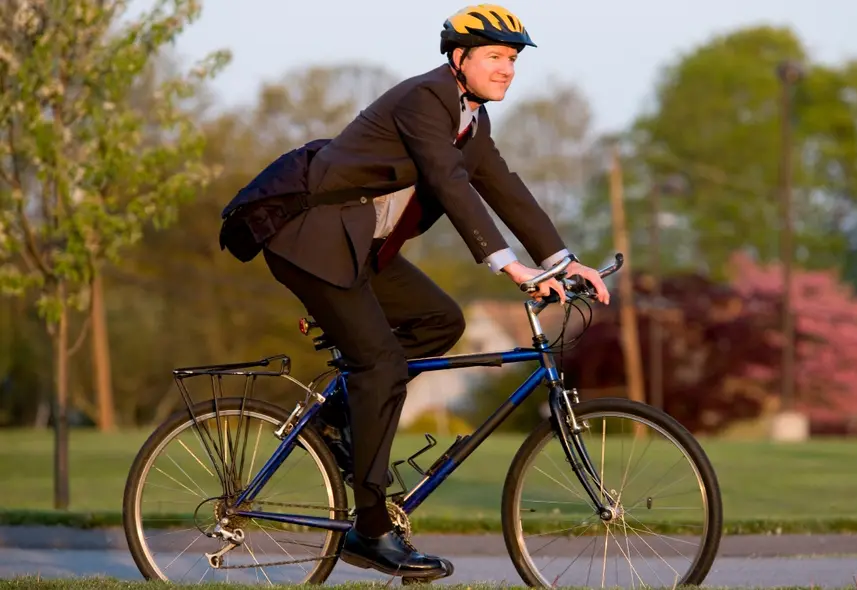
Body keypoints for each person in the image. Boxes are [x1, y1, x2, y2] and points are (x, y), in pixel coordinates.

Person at [219, 3, 610, 581]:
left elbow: (505, 189)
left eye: (513, 60)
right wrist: (513, 269)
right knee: (379, 366)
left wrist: (565, 261)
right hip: (309, 239)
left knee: (439, 323)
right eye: (496, 57)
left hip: (358, 245)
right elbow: (450, 184)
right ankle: (370, 531)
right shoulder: (424, 100)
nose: (508, 70)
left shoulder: (472, 122)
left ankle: (337, 420)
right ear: (459, 58)